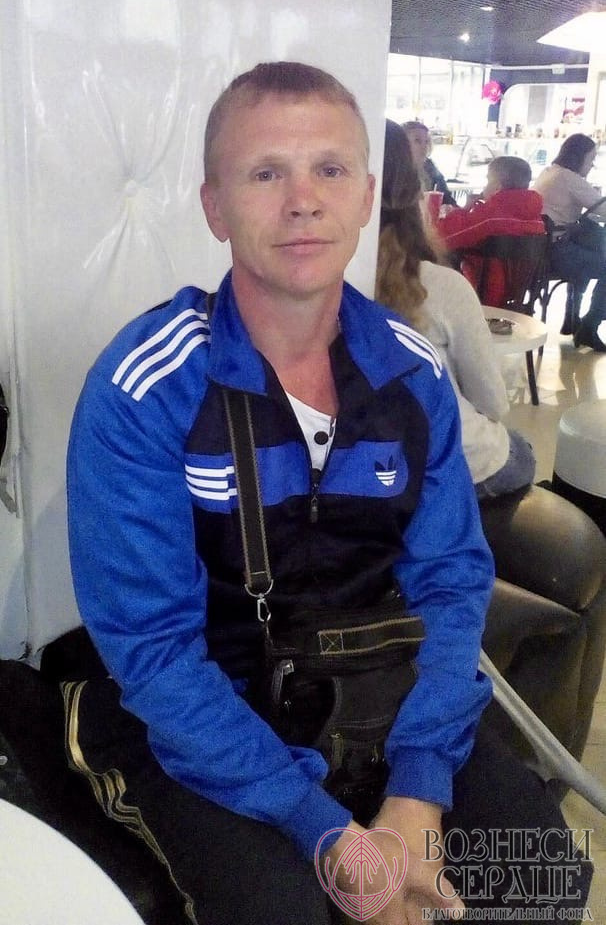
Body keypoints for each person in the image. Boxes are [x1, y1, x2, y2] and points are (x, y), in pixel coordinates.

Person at [65, 63, 591, 925]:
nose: (303, 200)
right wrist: (327, 833)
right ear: (215, 207)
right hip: (205, 716)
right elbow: (156, 653)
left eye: (330, 169)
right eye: (266, 173)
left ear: (366, 198)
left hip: (369, 688)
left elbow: (451, 584)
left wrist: (420, 787)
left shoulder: (411, 374)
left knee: (541, 876)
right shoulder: (146, 386)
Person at [378, 123, 536, 501]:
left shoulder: (308, 287)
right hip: (454, 465)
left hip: (374, 472)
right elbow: (493, 403)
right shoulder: (438, 286)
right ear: (413, 196)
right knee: (520, 448)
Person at [437, 155, 546, 307]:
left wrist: (464, 209)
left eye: (488, 180)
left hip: (481, 293)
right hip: (518, 294)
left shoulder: (489, 216)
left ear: (497, 187)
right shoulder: (537, 219)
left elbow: (443, 237)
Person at [534, 133, 606, 349]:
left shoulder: (549, 172)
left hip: (542, 248)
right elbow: (602, 207)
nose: (592, 164)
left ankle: (572, 318)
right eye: (591, 158)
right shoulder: (568, 178)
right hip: (559, 252)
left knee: (592, 250)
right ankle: (589, 326)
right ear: (579, 157)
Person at [402, 120, 459, 206]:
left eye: (427, 141)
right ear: (403, 144)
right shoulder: (396, 172)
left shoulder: (429, 167)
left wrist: (449, 207)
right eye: (417, 141)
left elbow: (448, 200)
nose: (424, 146)